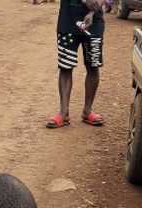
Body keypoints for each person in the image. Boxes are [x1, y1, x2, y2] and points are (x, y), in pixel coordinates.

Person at [47, 0, 105, 128]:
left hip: (94, 22)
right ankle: (63, 113)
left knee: (93, 66)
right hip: (68, 22)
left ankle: (87, 111)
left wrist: (92, 10)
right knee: (65, 66)